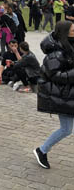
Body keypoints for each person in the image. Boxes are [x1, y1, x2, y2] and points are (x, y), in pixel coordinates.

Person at [34, 20, 74, 169]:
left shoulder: (69, 45)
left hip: (69, 94)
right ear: (65, 33)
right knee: (66, 129)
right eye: (73, 30)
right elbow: (56, 75)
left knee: (67, 129)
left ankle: (42, 150)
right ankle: (42, 150)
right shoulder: (56, 53)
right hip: (63, 96)